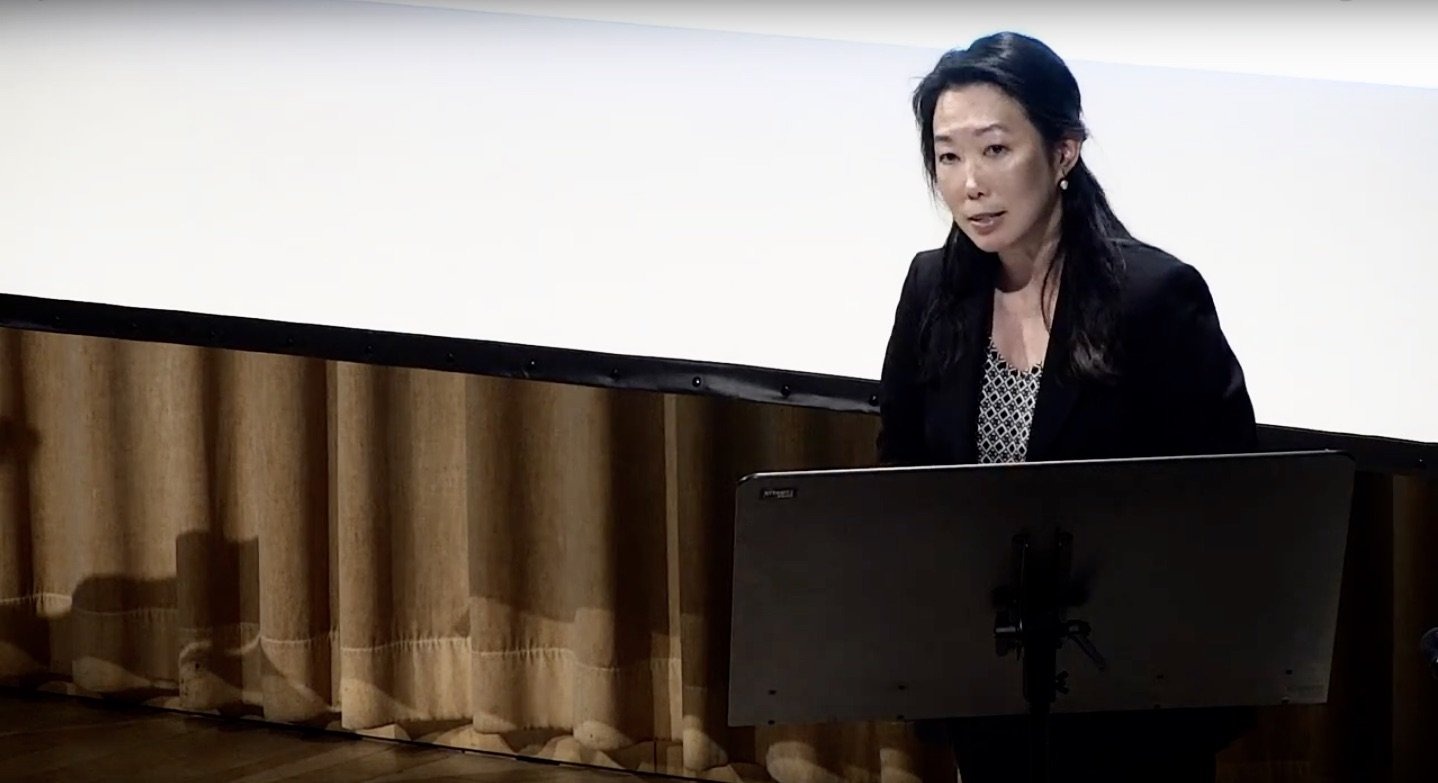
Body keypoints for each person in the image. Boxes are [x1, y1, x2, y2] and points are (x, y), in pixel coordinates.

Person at [876, 32, 1258, 781]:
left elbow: (1226, 502)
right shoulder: (934, 290)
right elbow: (904, 479)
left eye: (994, 149)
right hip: (986, 681)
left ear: (1063, 152)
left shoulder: (1153, 299)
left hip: (1131, 692)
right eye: (947, 156)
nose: (969, 185)